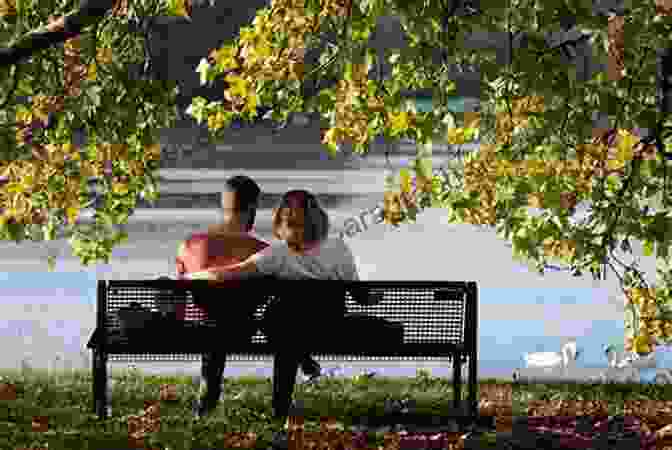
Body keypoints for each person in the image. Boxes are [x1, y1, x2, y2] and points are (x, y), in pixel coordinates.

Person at [199, 189, 360, 426]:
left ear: (280, 221)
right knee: (287, 326)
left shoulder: (277, 254)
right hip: (328, 329)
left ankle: (279, 412)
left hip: (283, 331)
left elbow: (231, 274)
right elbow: (360, 295)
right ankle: (302, 367)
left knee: (283, 325)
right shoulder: (339, 249)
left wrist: (195, 275)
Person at [175, 176, 321, 419]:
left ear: (223, 206)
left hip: (199, 331)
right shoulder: (263, 252)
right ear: (253, 207)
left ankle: (207, 398)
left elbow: (179, 296)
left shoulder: (189, 245)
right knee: (285, 318)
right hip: (245, 330)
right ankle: (284, 403)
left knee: (215, 323)